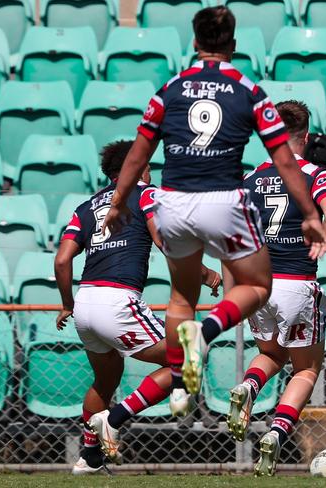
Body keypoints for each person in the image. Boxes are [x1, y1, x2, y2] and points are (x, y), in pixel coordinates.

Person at [100, 5, 326, 415]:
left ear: (194, 43)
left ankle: (180, 387)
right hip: (222, 200)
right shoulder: (249, 91)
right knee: (258, 287)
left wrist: (118, 202)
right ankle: (204, 334)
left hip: (172, 202)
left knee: (181, 296)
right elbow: (285, 161)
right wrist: (311, 214)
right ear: (234, 46)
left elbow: (137, 155)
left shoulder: (169, 89)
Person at [54, 140, 221, 474]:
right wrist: (206, 274)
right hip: (117, 301)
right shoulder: (145, 194)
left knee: (104, 381)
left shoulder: (86, 207)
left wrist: (67, 304)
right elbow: (167, 242)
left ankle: (89, 459)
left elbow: (61, 260)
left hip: (85, 305)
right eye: (147, 164)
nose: (150, 171)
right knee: (190, 357)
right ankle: (114, 420)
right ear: (135, 167)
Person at [226, 101, 326, 476]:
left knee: (271, 353)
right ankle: (276, 433)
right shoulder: (315, 174)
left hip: (259, 287)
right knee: (306, 368)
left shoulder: (251, 180)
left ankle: (249, 388)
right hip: (297, 284)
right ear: (306, 136)